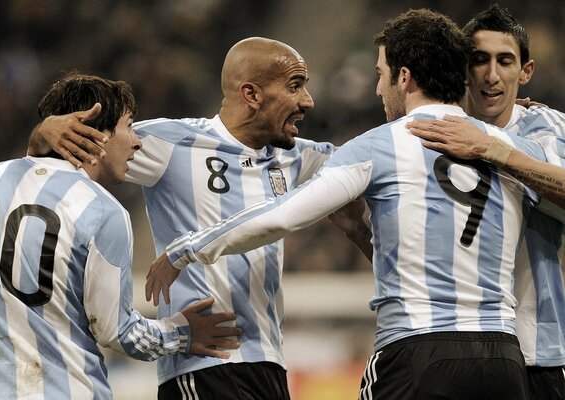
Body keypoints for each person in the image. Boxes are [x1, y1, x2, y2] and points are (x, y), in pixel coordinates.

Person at [144, 9, 555, 399]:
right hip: (503, 357)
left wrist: (188, 248)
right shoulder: (513, 149)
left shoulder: (380, 145)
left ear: (404, 78)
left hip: (415, 353)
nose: (378, 88)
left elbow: (283, 215)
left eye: (381, 74)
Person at [28, 38, 335, 399]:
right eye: (295, 86)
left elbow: (366, 165)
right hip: (203, 365)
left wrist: (414, 125)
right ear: (251, 94)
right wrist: (42, 132)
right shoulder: (169, 142)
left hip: (269, 363)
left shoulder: (296, 157)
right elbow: (73, 153)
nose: (308, 101)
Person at [0, 72, 241, 399]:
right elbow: (119, 332)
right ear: (95, 133)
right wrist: (182, 333)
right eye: (128, 126)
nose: (137, 141)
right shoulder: (100, 210)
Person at [407, 6, 565, 399]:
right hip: (451, 346)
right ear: (463, 68)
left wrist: (491, 150)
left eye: (504, 61)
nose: (491, 75)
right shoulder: (437, 130)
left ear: (525, 72)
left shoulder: (545, 128)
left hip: (535, 351)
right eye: (479, 60)